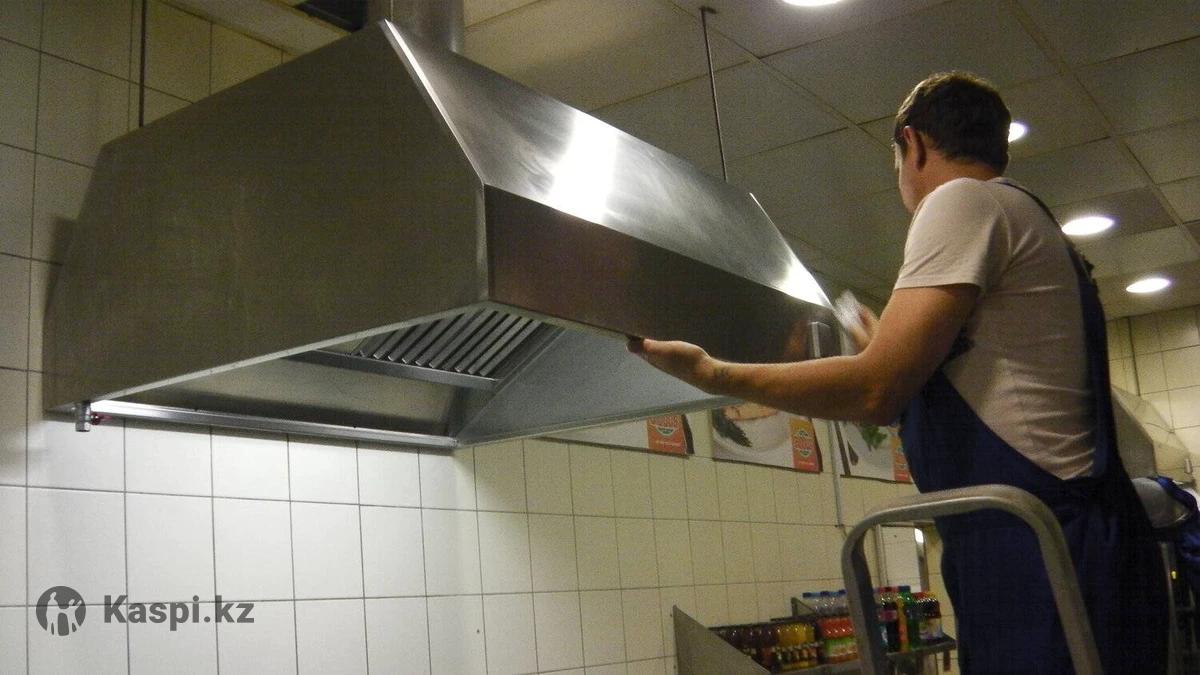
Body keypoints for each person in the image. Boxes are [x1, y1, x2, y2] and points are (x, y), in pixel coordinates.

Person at [629, 71, 1167, 673]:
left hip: (1040, 549)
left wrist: (711, 373)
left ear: (912, 143)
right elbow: (967, 387)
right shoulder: (1023, 216)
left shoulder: (962, 200)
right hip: (1059, 544)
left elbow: (874, 390)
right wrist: (888, 356)